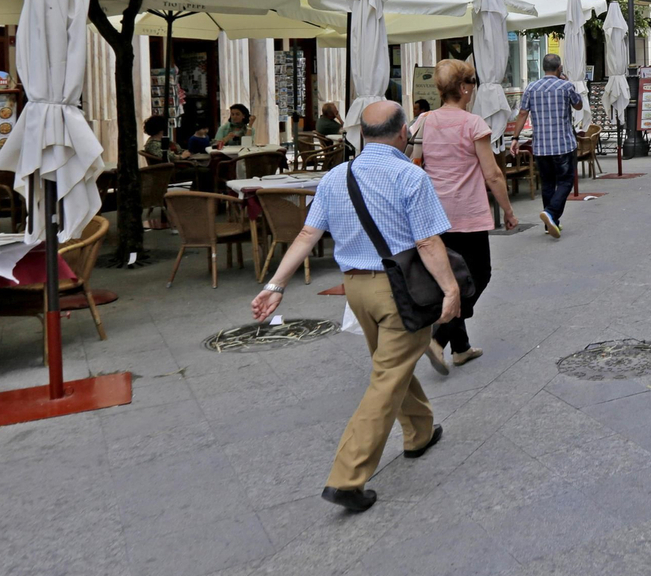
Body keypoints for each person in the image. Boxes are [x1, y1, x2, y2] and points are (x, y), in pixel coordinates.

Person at [248, 100, 459, 514]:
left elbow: (309, 234)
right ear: (403, 134)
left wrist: (276, 284)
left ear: (362, 134)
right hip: (402, 291)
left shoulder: (335, 176)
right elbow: (428, 242)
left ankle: (418, 432)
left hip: (357, 291)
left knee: (390, 366)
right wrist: (450, 290)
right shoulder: (410, 175)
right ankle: (347, 476)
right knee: (386, 378)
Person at [411, 60, 517, 371]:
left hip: (432, 213)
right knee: (478, 275)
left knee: (451, 278)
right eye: (471, 83)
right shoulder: (473, 124)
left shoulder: (423, 121)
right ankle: (439, 336)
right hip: (466, 213)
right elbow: (493, 174)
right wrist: (508, 211)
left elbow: (414, 164)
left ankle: (461, 348)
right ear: (464, 88)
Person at [507, 53, 582, 238]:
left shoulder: (531, 88)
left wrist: (515, 138)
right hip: (563, 145)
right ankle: (551, 213)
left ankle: (551, 224)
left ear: (543, 68)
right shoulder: (566, 86)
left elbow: (523, 113)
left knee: (548, 183)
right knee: (565, 181)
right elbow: (579, 105)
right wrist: (568, 82)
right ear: (559, 68)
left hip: (540, 146)